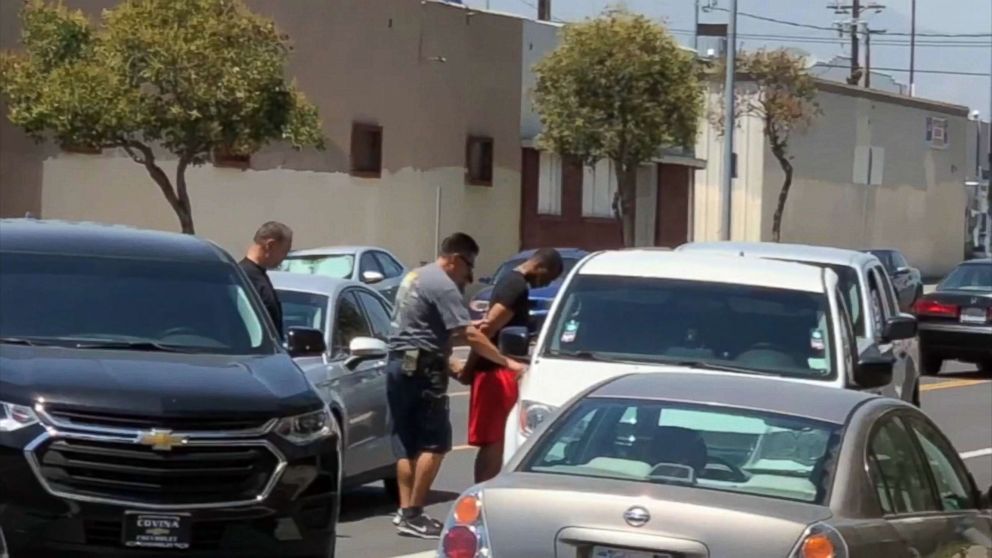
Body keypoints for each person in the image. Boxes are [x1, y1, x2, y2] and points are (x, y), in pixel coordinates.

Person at [386, 232, 526, 539]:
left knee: (407, 444)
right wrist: (508, 362)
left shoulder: (415, 277)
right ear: (454, 259)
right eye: (468, 266)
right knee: (433, 445)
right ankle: (414, 514)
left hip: (399, 363)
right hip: (423, 369)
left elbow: (421, 332)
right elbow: (470, 335)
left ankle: (404, 512)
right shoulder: (442, 284)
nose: (470, 275)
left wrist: (450, 364)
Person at [467, 248, 563, 483]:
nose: (545, 282)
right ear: (540, 266)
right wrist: (470, 366)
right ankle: (481, 491)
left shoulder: (511, 281)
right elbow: (487, 329)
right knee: (495, 439)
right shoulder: (515, 285)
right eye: (548, 277)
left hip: (497, 368)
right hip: (496, 371)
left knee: (501, 438)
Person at [239, 221, 293, 338]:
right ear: (270, 245)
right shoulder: (244, 279)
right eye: (284, 251)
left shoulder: (258, 276)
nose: (284, 257)